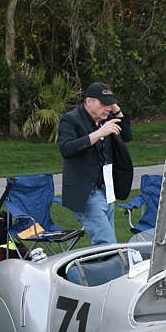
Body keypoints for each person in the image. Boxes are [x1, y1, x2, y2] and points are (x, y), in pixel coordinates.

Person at [59, 82, 134, 246]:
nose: (107, 108)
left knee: (106, 246)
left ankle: (101, 269)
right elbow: (66, 148)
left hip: (107, 191)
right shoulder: (71, 120)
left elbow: (127, 135)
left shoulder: (105, 119)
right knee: (107, 243)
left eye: (110, 104)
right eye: (103, 103)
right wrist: (99, 133)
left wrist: (116, 110)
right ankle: (112, 271)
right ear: (88, 102)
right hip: (87, 193)